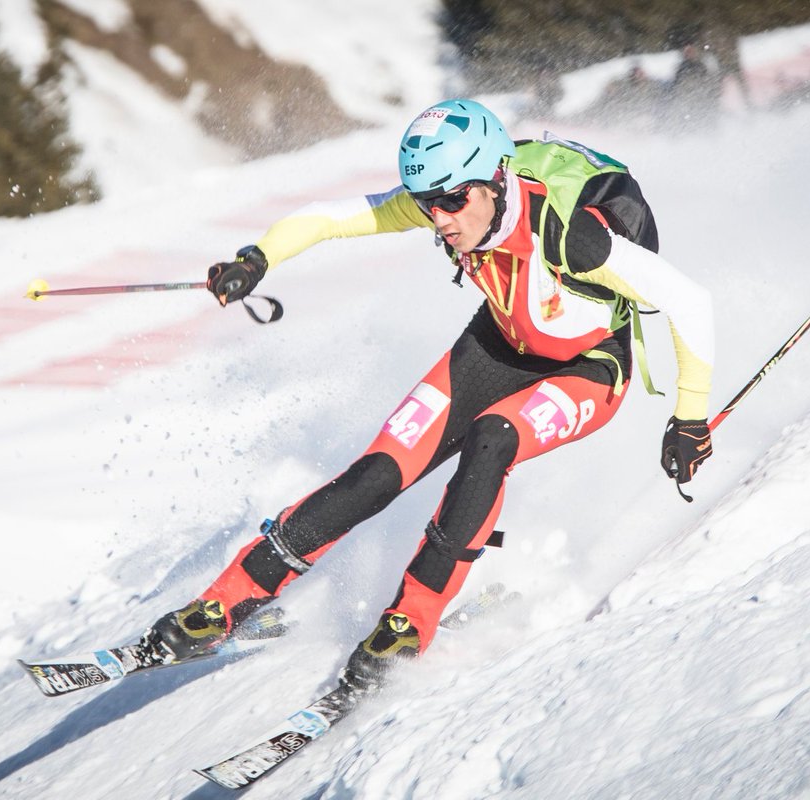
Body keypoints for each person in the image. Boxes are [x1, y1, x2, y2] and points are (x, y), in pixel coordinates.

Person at [140, 99, 715, 697]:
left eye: (452, 199)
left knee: (493, 439)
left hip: (590, 367)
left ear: (496, 179)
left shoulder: (572, 236)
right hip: (497, 345)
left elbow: (691, 303)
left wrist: (690, 417)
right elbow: (333, 217)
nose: (439, 217)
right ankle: (228, 600)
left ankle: (410, 620)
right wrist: (257, 258)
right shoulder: (454, 197)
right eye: (427, 202)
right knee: (379, 472)